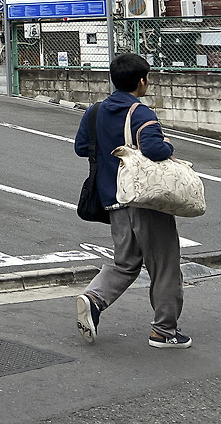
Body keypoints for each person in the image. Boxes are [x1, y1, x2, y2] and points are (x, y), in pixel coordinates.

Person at [74, 52, 190, 348]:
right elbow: (153, 148)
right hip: (144, 199)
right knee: (164, 265)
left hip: (113, 200)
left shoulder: (95, 110)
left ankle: (94, 298)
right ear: (141, 81)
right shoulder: (141, 113)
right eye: (147, 78)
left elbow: (80, 147)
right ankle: (164, 331)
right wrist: (168, 146)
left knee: (125, 262)